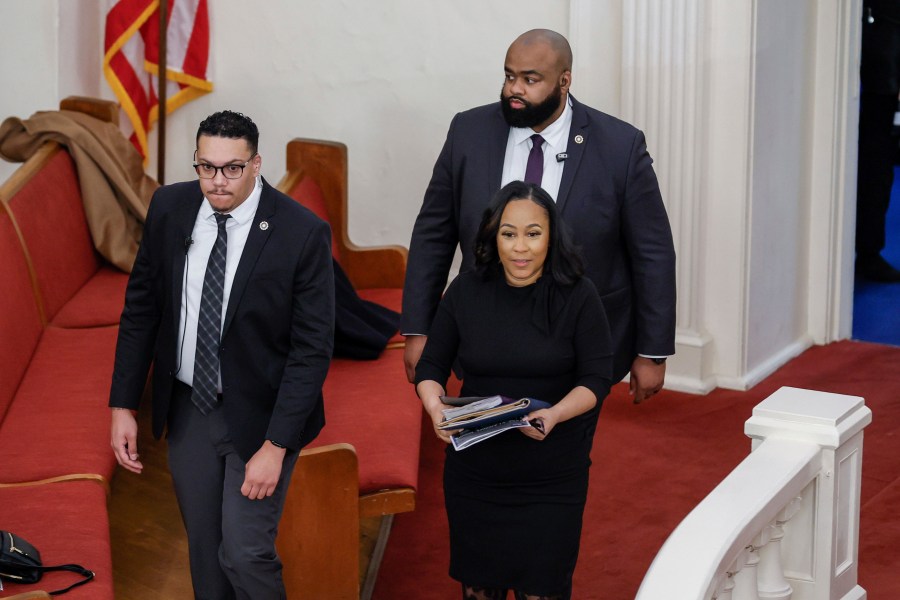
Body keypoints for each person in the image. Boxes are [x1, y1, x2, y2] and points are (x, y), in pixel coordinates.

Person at [108, 110, 335, 599]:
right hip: (191, 406)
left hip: (261, 414)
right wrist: (123, 405)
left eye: (231, 168)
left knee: (245, 552)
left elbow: (312, 350)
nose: (217, 181)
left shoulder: (301, 233)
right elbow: (141, 310)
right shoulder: (169, 207)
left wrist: (275, 447)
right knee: (207, 559)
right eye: (206, 167)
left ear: (256, 164)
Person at [402, 28, 676, 402]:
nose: (515, 88)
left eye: (530, 80)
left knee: (562, 452)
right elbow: (433, 233)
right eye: (509, 75)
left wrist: (652, 350)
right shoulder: (468, 131)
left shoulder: (619, 146)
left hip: (576, 343)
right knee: (483, 452)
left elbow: (653, 251)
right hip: (483, 335)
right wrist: (418, 330)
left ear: (564, 81)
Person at [415, 181, 613, 599]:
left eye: (532, 233)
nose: (520, 248)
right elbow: (431, 367)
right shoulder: (466, 291)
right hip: (477, 472)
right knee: (479, 589)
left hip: (552, 472)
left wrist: (556, 413)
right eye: (509, 234)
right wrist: (436, 407)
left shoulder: (578, 295)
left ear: (551, 236)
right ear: (493, 236)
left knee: (542, 589)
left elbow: (596, 379)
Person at [856, 0, 900, 282]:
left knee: (877, 163)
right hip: (880, 64)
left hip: (884, 68)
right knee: (874, 161)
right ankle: (867, 253)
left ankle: (868, 252)